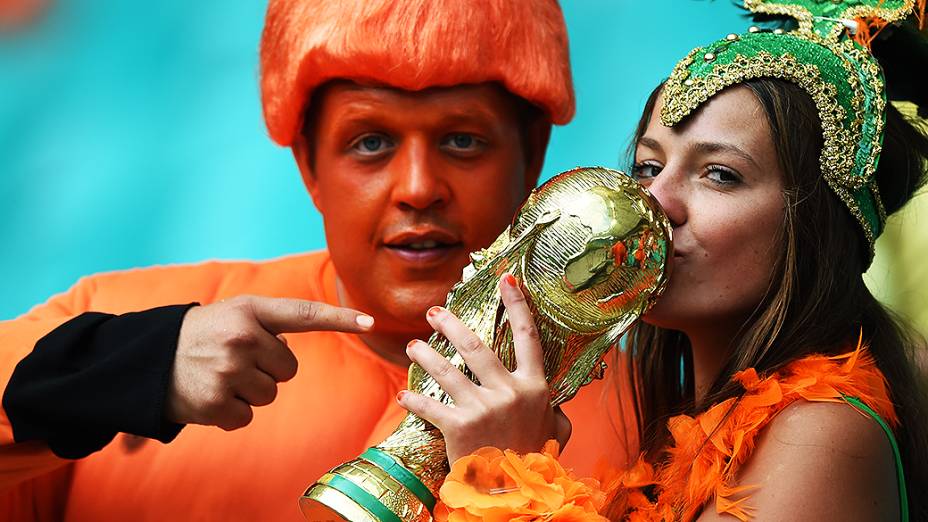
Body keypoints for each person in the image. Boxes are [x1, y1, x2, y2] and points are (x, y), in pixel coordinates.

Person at [0, 1, 636, 520]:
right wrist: (134, 368)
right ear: (309, 164)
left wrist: (516, 490)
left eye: (462, 141)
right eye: (371, 143)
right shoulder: (120, 323)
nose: (418, 186)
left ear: (531, 156)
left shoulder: (647, 410)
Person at [399, 2, 928, 520]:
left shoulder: (823, 432)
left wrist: (504, 479)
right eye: (649, 165)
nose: (655, 201)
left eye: (720, 174)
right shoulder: (687, 435)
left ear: (814, 227)